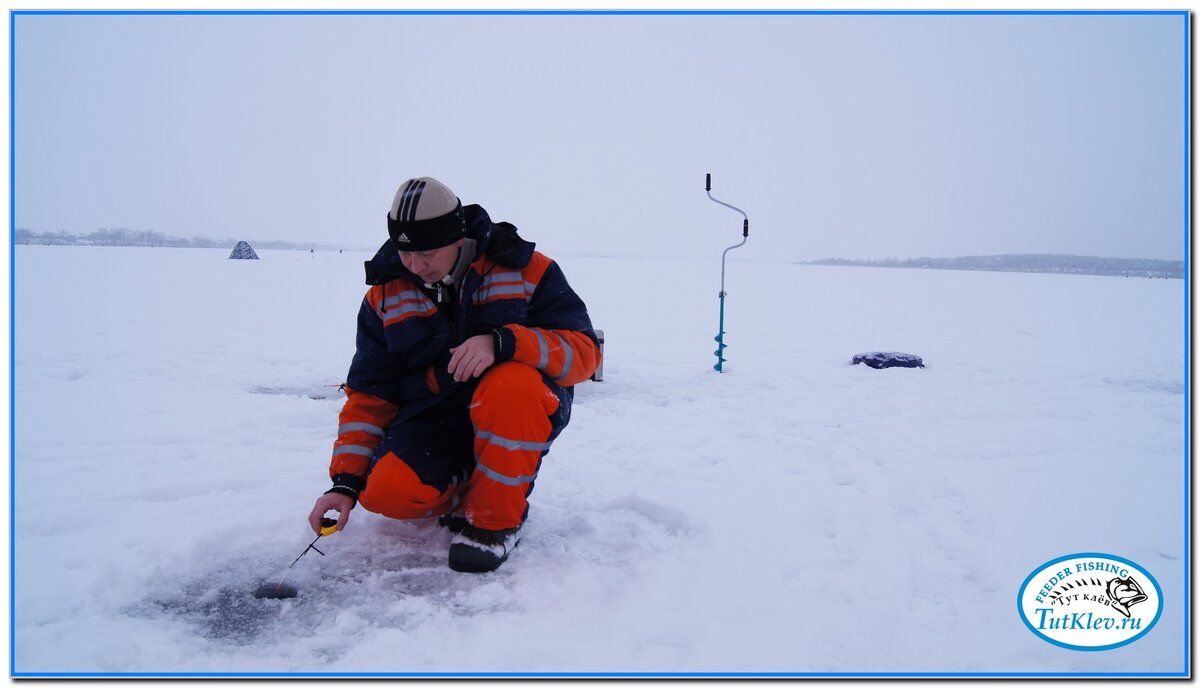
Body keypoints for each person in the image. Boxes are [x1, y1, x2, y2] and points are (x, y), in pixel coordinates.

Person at [308, 176, 601, 573]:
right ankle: (468, 479)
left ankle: (494, 522)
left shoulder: (529, 270)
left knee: (510, 383)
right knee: (387, 495)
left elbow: (584, 355)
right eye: (405, 252)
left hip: (514, 409)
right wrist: (344, 482)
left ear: (458, 238)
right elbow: (370, 396)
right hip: (435, 420)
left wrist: (504, 343)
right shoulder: (385, 295)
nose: (415, 265)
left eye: (427, 252)